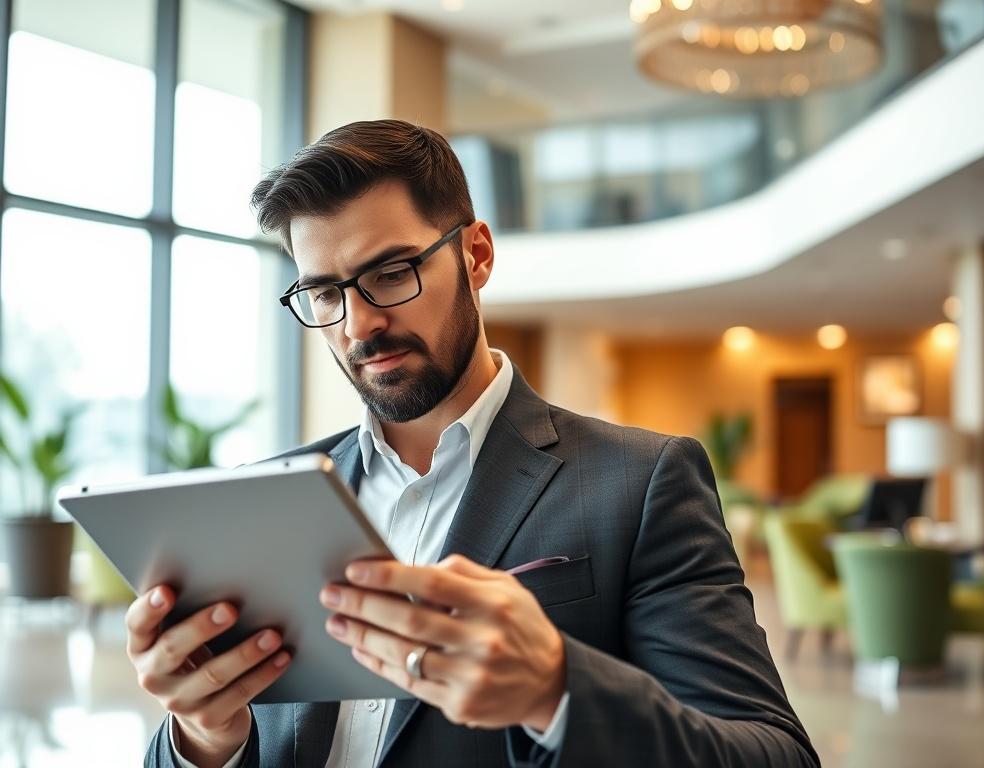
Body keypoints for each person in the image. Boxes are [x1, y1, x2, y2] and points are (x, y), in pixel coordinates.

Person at [130, 120, 819, 767]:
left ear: (476, 254)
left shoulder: (642, 482)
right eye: (324, 293)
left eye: (392, 273)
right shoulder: (270, 494)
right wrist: (203, 735)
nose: (359, 324)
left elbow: (774, 754)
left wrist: (557, 688)